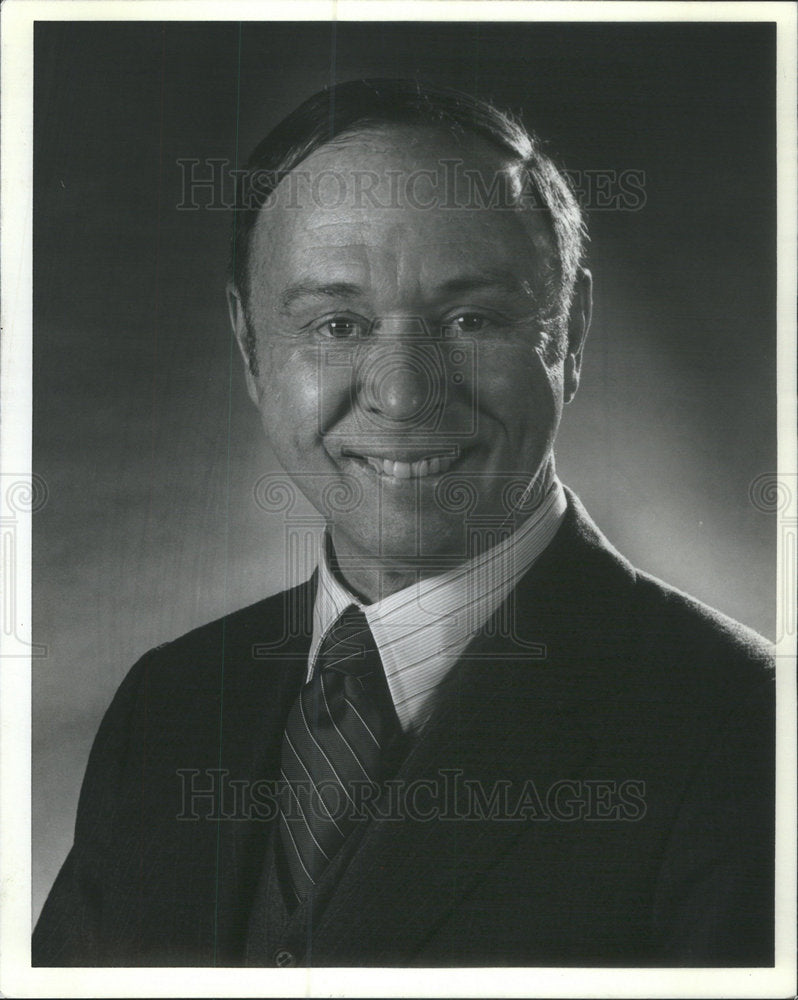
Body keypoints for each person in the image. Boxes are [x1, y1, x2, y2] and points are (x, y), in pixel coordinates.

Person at [33, 78, 774, 968]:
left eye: (471, 319)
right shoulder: (171, 705)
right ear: (251, 350)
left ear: (570, 335)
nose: (402, 391)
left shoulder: (746, 733)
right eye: (338, 323)